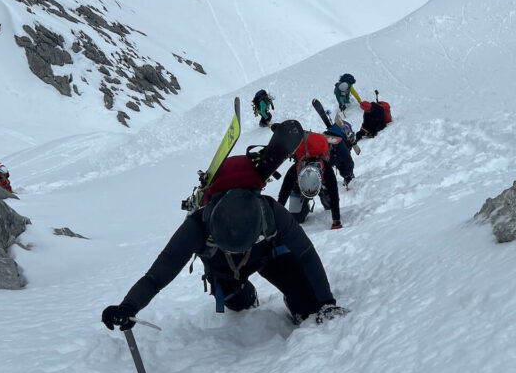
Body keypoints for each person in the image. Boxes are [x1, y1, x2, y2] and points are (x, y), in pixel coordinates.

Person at [101, 139, 344, 331]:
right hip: (226, 271)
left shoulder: (271, 211)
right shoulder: (196, 227)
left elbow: (306, 254)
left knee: (309, 304)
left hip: (266, 256)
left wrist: (326, 302)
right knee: (238, 303)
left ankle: (296, 300)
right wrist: (128, 306)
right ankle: (246, 295)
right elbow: (157, 276)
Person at [277, 131, 343, 229]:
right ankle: (305, 204)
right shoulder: (295, 169)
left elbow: (334, 193)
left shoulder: (325, 168)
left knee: (330, 206)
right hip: (300, 188)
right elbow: (284, 193)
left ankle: (324, 193)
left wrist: (336, 219)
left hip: (322, 184)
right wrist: (277, 218)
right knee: (297, 218)